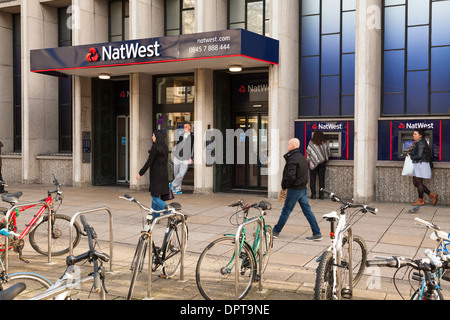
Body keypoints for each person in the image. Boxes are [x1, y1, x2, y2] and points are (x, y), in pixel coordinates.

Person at [273, 138, 322, 241]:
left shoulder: (293, 159)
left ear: (293, 146)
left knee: (286, 211)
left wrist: (285, 186)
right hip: (302, 189)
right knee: (307, 211)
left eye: (288, 144)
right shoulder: (301, 157)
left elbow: (291, 176)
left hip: (295, 189)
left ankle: (275, 231)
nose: (287, 146)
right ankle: (317, 233)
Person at [136, 130, 170, 219]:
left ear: (157, 137)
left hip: (156, 175)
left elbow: (149, 162)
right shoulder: (165, 147)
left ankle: (169, 211)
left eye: (153, 136)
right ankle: (155, 216)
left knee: (154, 197)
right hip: (164, 174)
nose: (152, 137)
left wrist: (140, 173)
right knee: (156, 195)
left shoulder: (154, 148)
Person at [407, 129, 437, 209]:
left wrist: (411, 157)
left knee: (418, 182)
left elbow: (419, 155)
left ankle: (421, 200)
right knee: (416, 182)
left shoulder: (421, 143)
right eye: (413, 134)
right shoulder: (419, 142)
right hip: (419, 163)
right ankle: (431, 195)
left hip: (421, 163)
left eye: (415, 134)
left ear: (420, 135)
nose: (413, 135)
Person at [306, 130, 330, 199]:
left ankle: (313, 194)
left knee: (312, 178)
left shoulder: (311, 143)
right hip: (322, 162)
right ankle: (321, 195)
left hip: (313, 162)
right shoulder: (324, 143)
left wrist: (309, 160)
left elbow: (308, 153)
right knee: (321, 179)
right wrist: (325, 158)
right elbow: (328, 152)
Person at [171, 122, 194, 195]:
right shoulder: (181, 135)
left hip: (185, 158)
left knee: (181, 174)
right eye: (184, 127)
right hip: (177, 157)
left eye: (186, 126)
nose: (185, 128)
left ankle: (172, 185)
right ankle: (178, 189)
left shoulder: (193, 137)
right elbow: (177, 145)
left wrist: (192, 158)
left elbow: (193, 148)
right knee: (176, 174)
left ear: (190, 127)